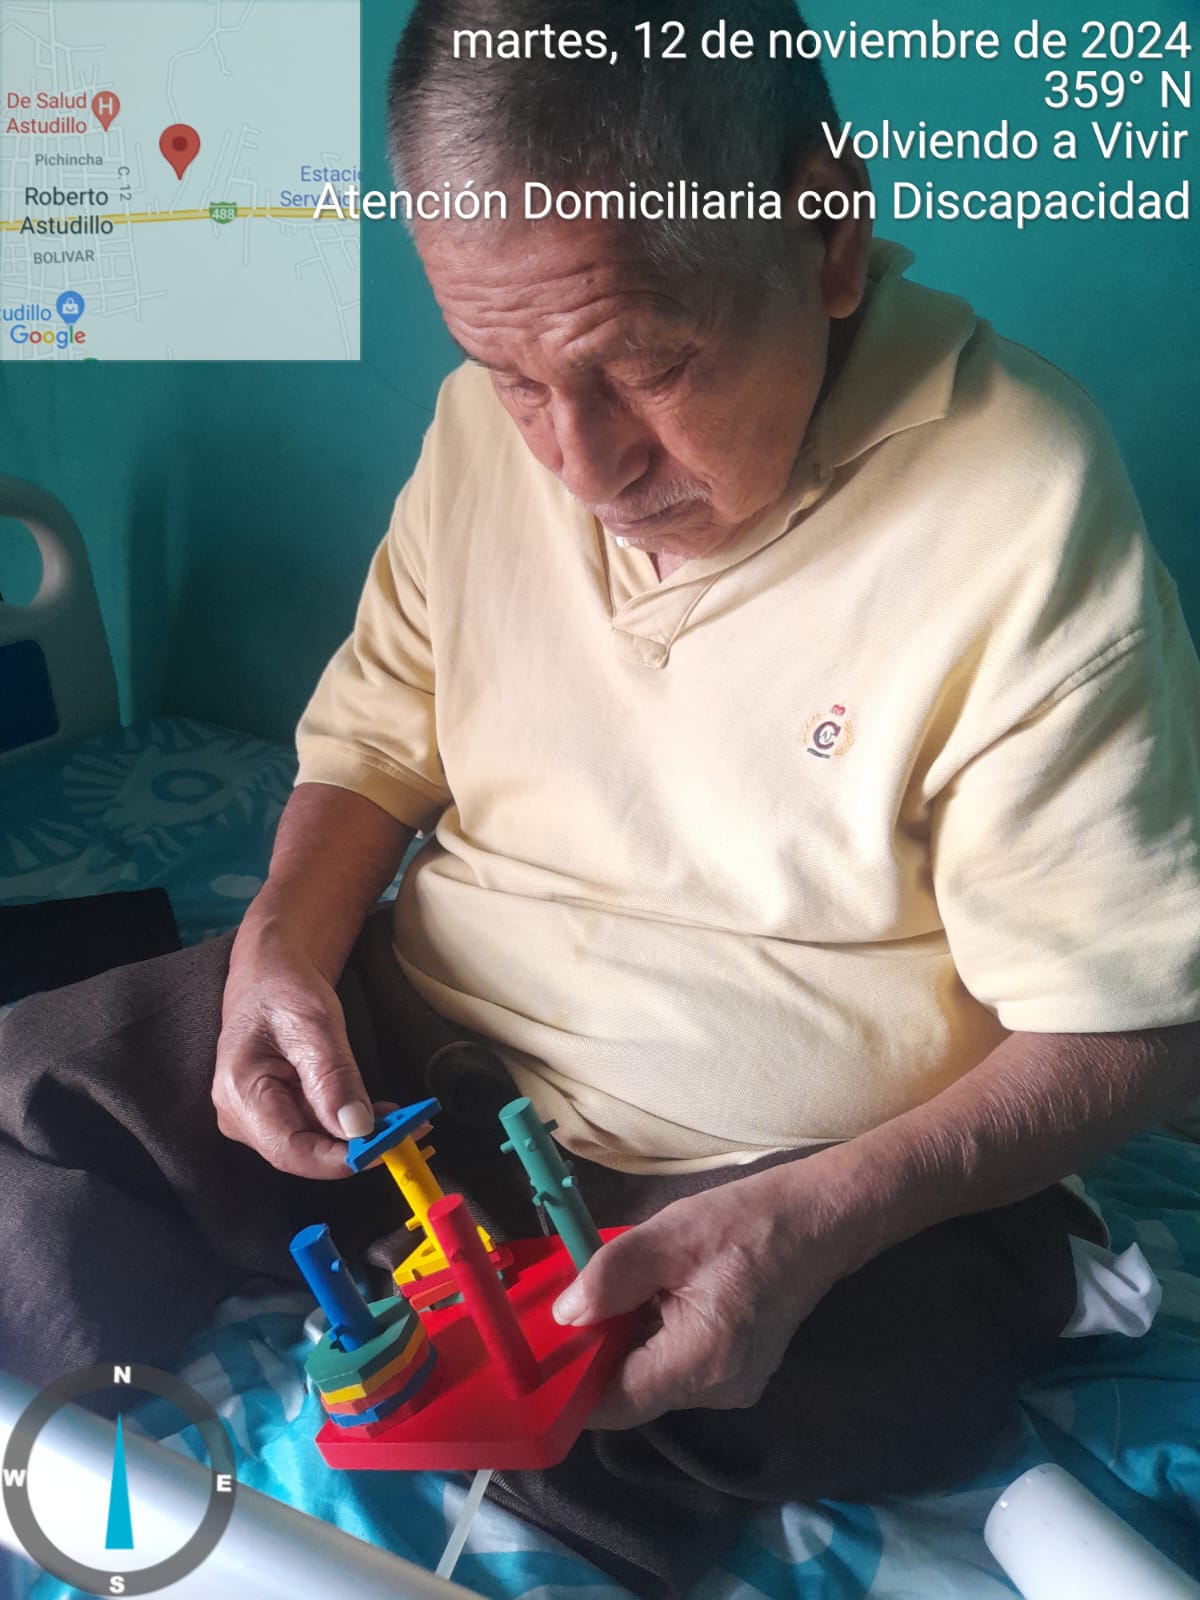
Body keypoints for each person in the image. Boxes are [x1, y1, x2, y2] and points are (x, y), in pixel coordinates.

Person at [2, 2, 1198, 1594]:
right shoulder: (478, 441)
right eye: (509, 378)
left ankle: (506, 1518)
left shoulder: (1021, 509)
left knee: (837, 1363)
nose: (583, 463)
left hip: (776, 1161)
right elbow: (373, 744)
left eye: (648, 367)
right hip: (430, 1051)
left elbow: (1135, 1029)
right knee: (38, 1089)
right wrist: (283, 948)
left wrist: (819, 1220)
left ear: (828, 232)